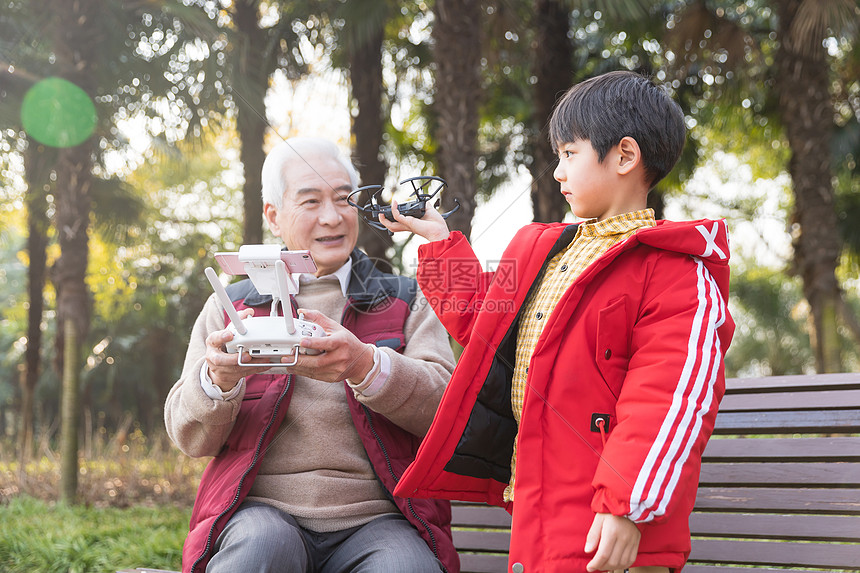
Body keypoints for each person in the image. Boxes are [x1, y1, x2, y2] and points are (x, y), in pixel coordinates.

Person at [381, 71, 735, 573]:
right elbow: (487, 325)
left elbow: (670, 398)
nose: (557, 173)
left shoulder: (676, 270)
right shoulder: (538, 246)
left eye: (570, 154)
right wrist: (439, 243)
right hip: (538, 505)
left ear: (625, 156)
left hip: (615, 522)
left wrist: (627, 505)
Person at [165, 137, 459, 573]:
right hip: (260, 511)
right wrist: (218, 380)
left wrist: (365, 366)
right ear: (274, 214)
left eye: (344, 200)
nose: (331, 217)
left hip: (381, 519)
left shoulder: (405, 299)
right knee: (260, 550)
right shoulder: (234, 306)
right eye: (310, 201)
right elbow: (188, 436)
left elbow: (448, 413)